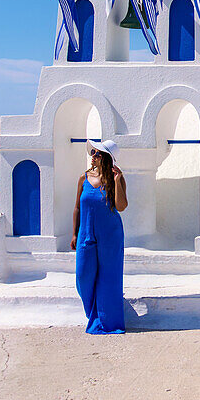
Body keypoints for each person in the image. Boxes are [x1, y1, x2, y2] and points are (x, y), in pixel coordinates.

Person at [71, 139, 128, 334]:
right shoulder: (84, 178)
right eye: (93, 152)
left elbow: (121, 206)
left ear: (105, 157)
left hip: (110, 234)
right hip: (86, 233)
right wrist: (74, 233)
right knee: (83, 275)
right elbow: (78, 207)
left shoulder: (114, 179)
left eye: (96, 153)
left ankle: (109, 322)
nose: (92, 156)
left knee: (109, 278)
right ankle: (93, 314)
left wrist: (118, 181)